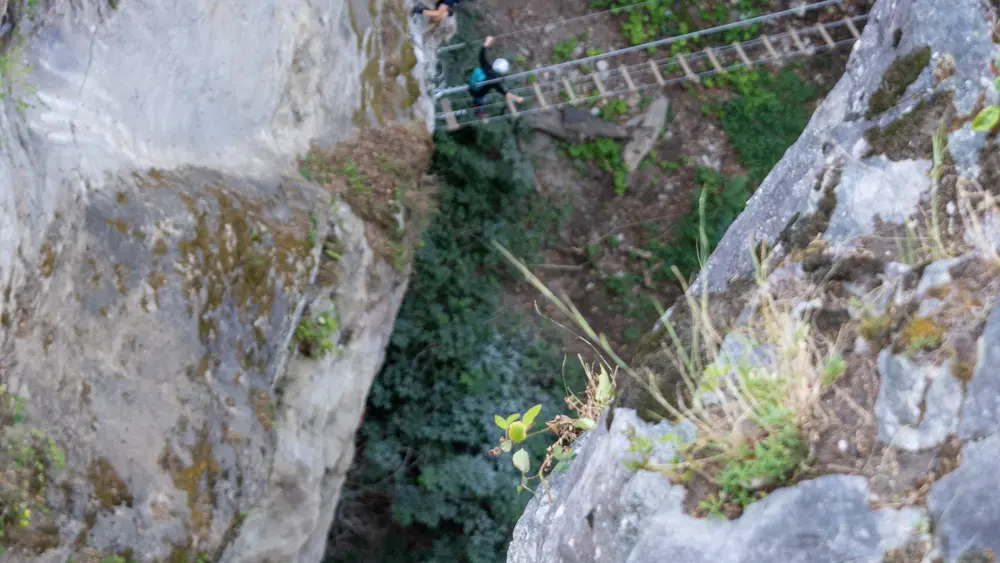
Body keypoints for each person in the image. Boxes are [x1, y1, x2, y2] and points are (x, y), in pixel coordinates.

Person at [467, 36, 524, 121]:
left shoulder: (486, 66)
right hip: (477, 93)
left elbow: (481, 54)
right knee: (483, 101)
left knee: (481, 97)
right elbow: (505, 93)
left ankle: (477, 105)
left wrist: (487, 42)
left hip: (470, 85)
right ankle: (478, 111)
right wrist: (517, 98)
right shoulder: (494, 81)